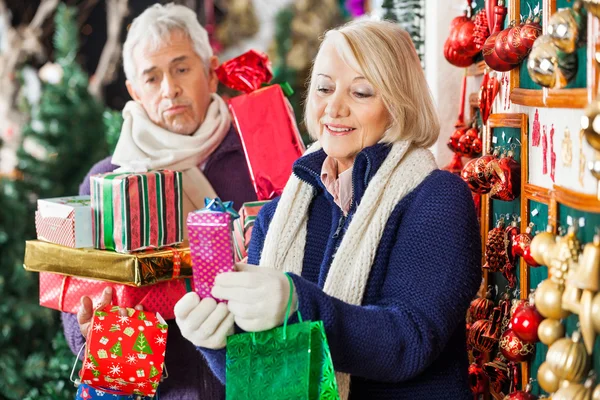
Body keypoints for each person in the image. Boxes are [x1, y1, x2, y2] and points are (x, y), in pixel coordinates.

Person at [174, 20, 482, 399]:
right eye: (323, 88)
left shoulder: (436, 198)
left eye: (361, 92)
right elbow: (267, 378)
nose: (334, 107)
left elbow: (409, 340)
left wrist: (297, 304)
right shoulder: (278, 216)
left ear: (399, 103)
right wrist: (217, 341)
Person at [62, 3, 257, 398]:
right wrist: (89, 331)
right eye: (152, 78)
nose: (170, 88)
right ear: (135, 92)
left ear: (212, 72)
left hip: (258, 378)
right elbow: (77, 298)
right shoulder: (106, 181)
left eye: (182, 69)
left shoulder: (260, 160)